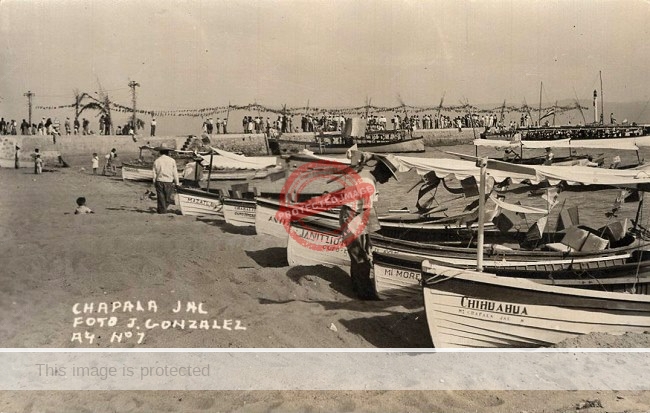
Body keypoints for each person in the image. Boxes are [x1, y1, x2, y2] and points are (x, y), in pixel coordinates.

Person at [339, 153, 396, 300]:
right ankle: (364, 294)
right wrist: (371, 237)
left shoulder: (365, 174)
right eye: (388, 176)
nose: (388, 179)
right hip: (351, 216)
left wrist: (367, 237)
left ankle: (357, 287)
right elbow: (367, 213)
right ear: (381, 172)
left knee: (359, 254)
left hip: (352, 214)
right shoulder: (369, 183)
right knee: (361, 257)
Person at [152, 145, 180, 214]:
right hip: (169, 181)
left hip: (159, 181)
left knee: (160, 198)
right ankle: (163, 211)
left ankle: (161, 211)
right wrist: (177, 183)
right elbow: (175, 173)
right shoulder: (172, 160)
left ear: (160, 152)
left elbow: (154, 173)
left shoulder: (157, 161)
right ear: (168, 152)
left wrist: (154, 182)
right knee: (167, 198)